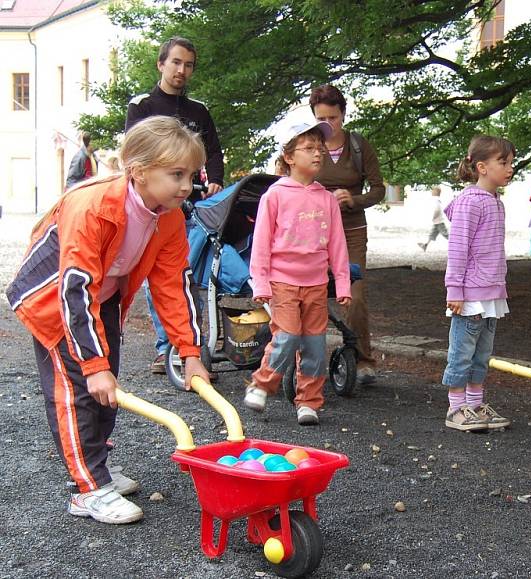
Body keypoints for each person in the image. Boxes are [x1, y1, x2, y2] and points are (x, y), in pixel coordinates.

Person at [5, 116, 210, 524]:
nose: (187, 186)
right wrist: (93, 365)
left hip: (102, 300)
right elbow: (74, 289)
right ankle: (88, 488)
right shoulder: (93, 205)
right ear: (138, 171)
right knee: (79, 390)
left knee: (106, 388)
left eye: (191, 175)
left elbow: (172, 284)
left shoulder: (168, 215)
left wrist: (189, 352)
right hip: (56, 302)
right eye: (176, 174)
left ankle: (96, 463)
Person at [125, 36, 225, 374]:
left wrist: (215, 180)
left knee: (188, 274)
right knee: (160, 274)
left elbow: (213, 152)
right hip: (156, 208)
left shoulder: (198, 110)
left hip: (195, 206)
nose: (182, 70)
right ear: (161, 64)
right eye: (176, 62)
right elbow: (136, 153)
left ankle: (189, 344)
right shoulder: (142, 106)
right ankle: (165, 346)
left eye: (189, 65)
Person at [244, 121, 352, 425]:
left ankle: (309, 402)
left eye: (320, 148)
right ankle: (262, 383)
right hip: (283, 282)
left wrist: (342, 282)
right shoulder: (274, 196)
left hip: (316, 284)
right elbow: (261, 244)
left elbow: (338, 246)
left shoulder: (327, 199)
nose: (317, 153)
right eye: (308, 148)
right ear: (290, 157)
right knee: (288, 336)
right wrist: (261, 282)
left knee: (315, 344)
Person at [310, 84, 385, 386]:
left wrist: (353, 200)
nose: (328, 124)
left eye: (333, 118)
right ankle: (307, 362)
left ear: (343, 114)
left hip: (352, 229)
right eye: (321, 118)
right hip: (313, 232)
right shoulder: (307, 144)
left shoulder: (358, 145)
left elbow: (379, 189)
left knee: (354, 297)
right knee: (308, 294)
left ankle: (363, 359)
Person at [442, 135, 515, 432]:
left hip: (490, 294)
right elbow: (458, 250)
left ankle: (475, 405)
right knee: (461, 352)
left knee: (482, 353)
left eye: (511, 163)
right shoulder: (470, 203)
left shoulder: (495, 202)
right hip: (470, 294)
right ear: (482, 167)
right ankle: (456, 409)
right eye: (504, 162)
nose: (510, 168)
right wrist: (454, 290)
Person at [418, 185, 449, 251]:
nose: (431, 192)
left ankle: (456, 244)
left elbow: (437, 209)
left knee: (446, 235)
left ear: (435, 192)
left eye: (432, 190)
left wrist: (433, 216)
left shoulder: (436, 199)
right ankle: (425, 245)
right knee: (432, 234)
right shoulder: (438, 199)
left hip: (439, 221)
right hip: (437, 221)